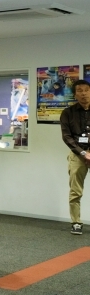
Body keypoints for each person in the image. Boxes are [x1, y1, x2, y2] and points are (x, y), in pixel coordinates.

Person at [59, 79, 90, 235]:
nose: (83, 93)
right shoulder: (67, 113)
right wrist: (83, 153)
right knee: (75, 191)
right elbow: (67, 137)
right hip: (78, 154)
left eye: (86, 90)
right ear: (75, 94)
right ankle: (76, 222)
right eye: (79, 91)